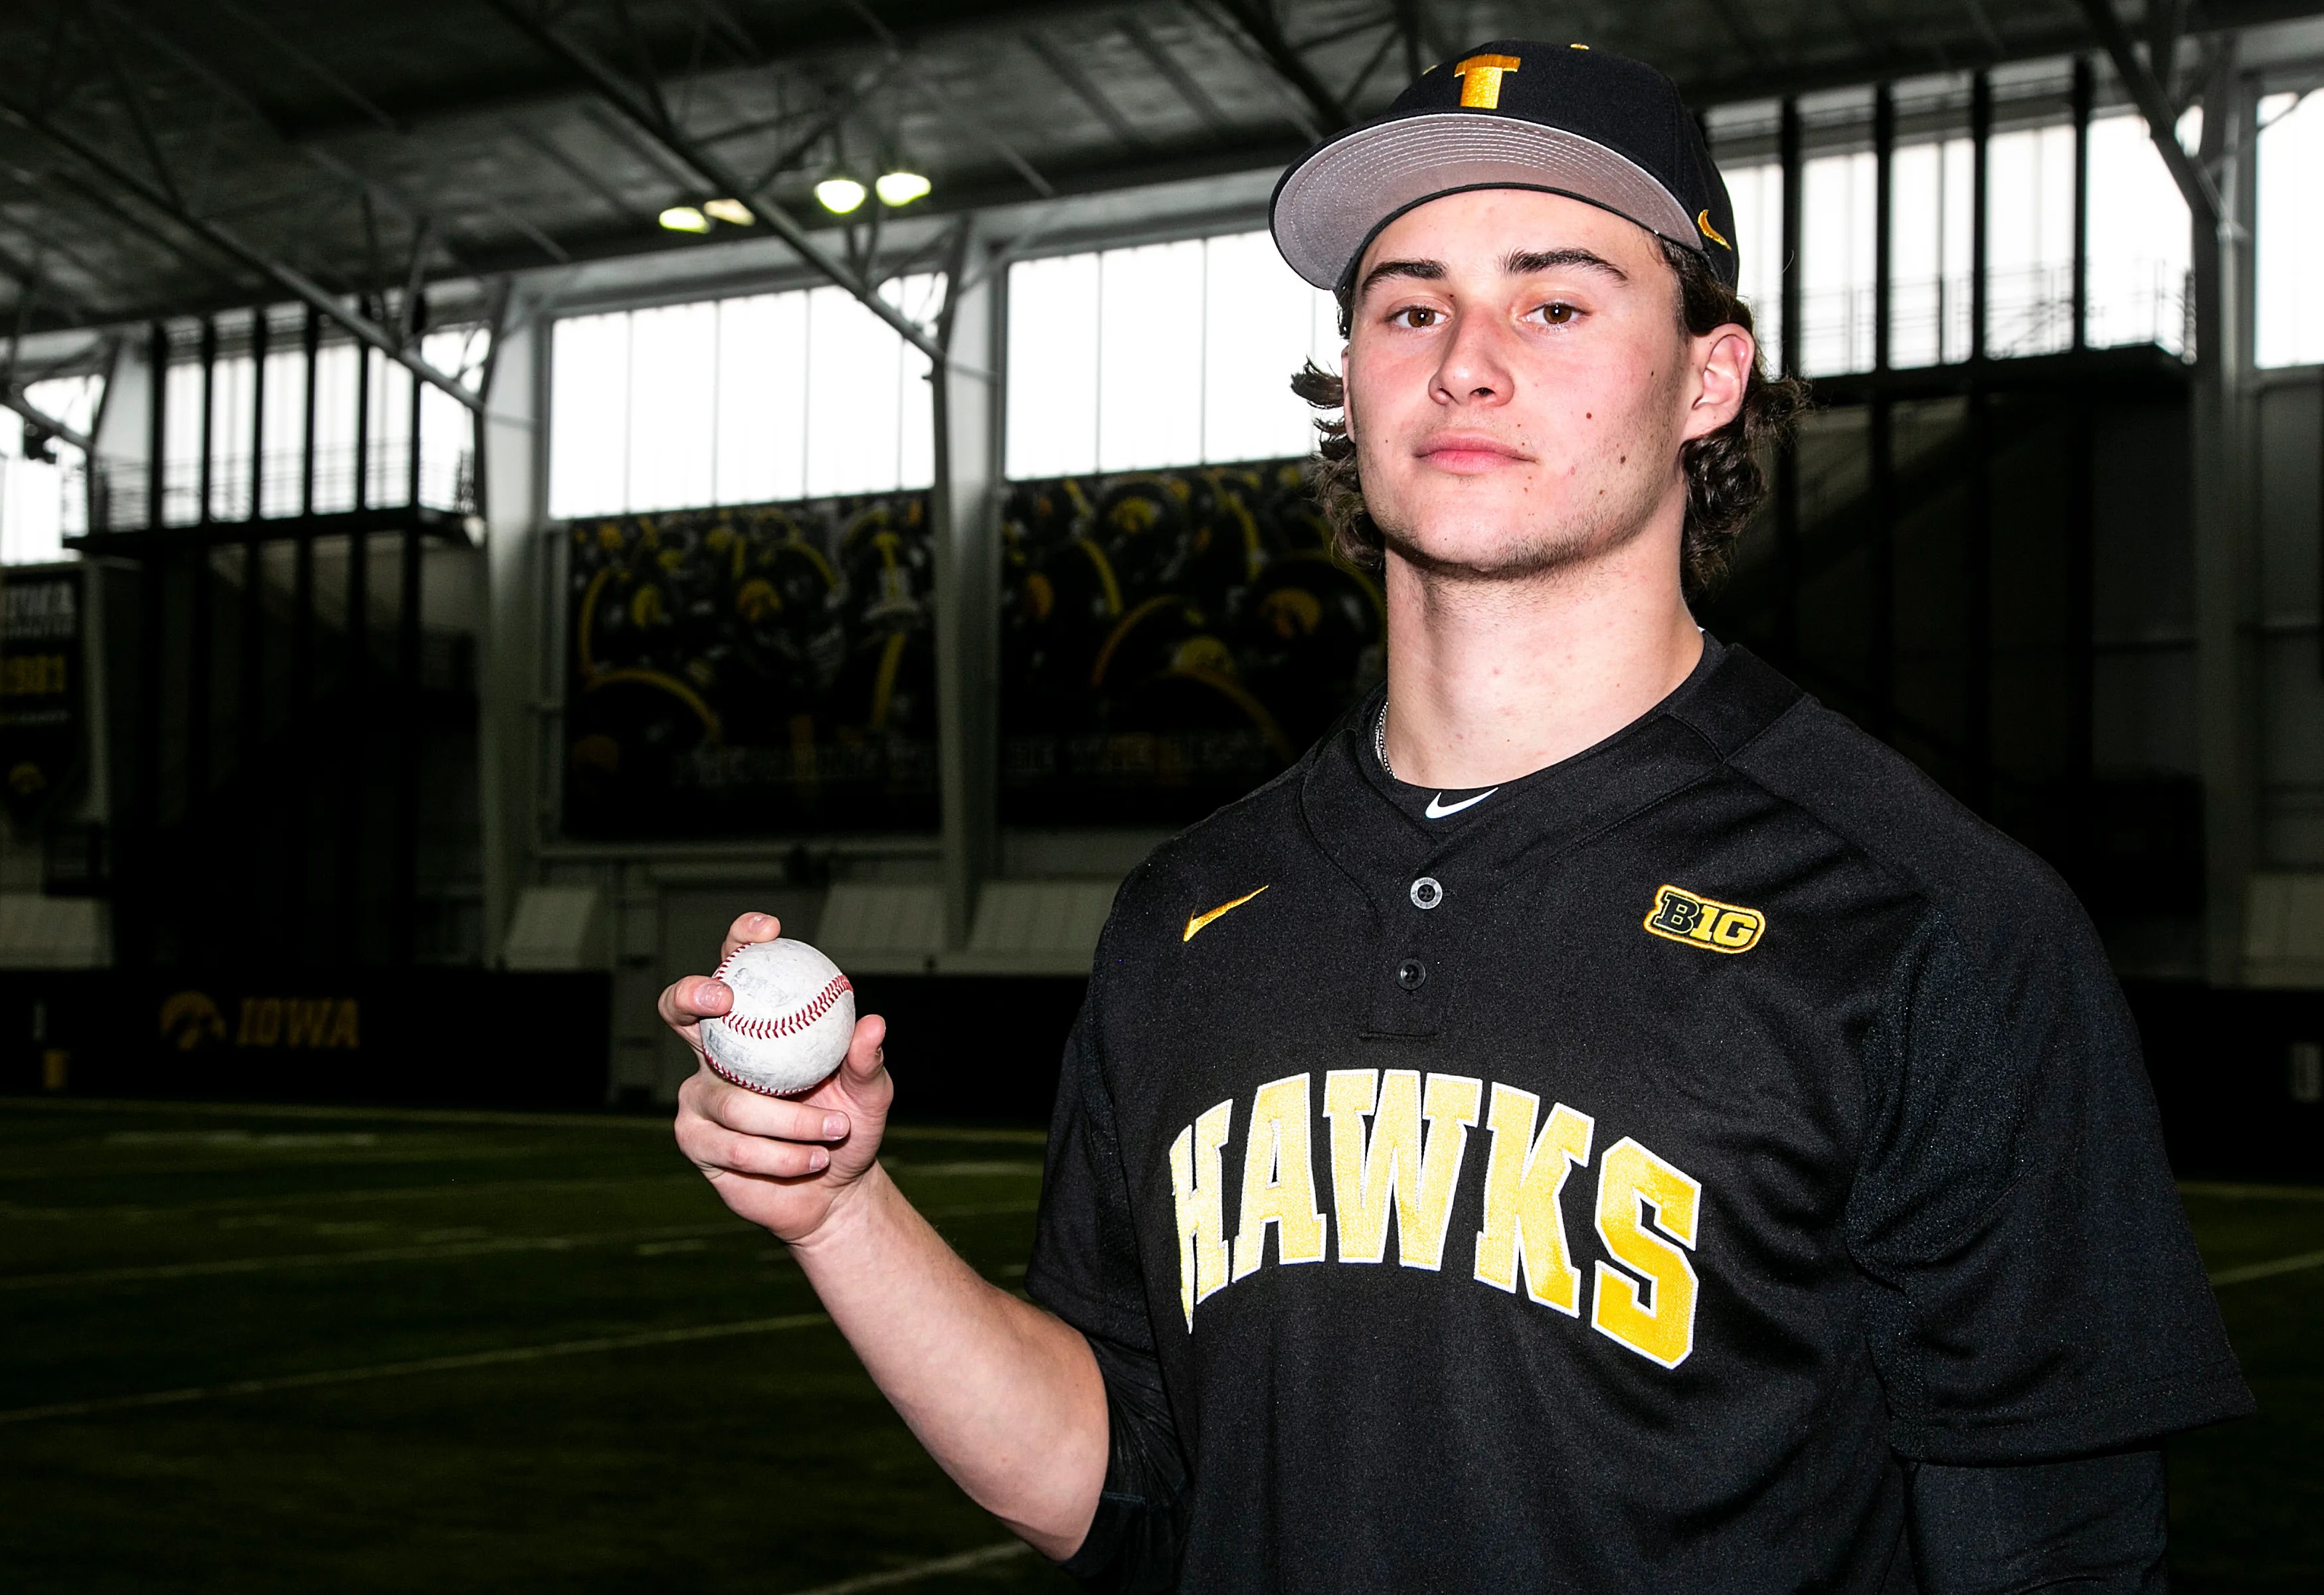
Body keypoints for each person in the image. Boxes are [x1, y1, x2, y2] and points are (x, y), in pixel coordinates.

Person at [664, 40, 2251, 1592]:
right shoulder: (1189, 908)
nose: (1463, 362)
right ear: (1351, 381)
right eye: (1407, 306)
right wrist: (838, 1209)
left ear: (1708, 377)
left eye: (1553, 303)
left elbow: (2052, 1552)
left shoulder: (1929, 919)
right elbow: (1121, 1479)